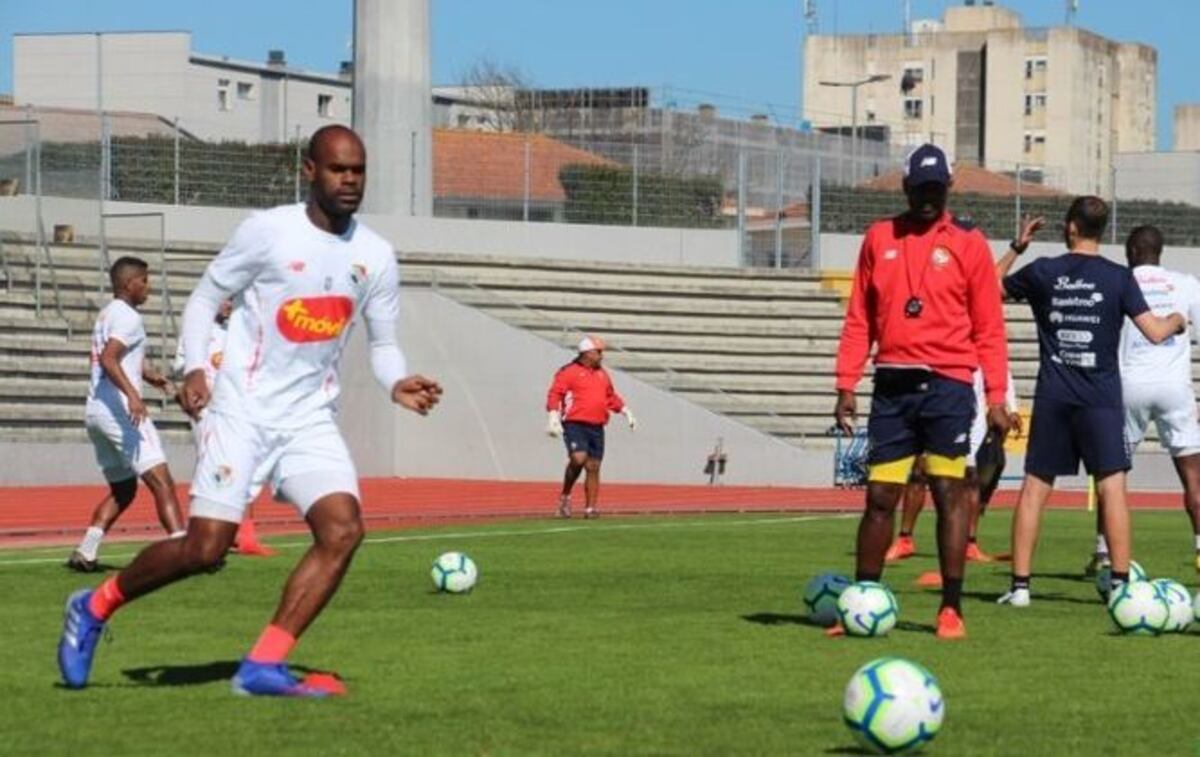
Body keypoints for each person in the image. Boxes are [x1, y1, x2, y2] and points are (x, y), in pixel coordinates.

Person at [57, 124, 443, 696]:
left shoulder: (376, 256)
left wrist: (396, 382)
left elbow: (384, 344)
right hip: (241, 410)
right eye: (338, 169)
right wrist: (195, 368)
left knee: (342, 530)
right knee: (205, 548)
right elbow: (206, 299)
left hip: (309, 418)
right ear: (309, 170)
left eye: (358, 170)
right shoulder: (268, 232)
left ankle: (262, 665)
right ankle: (94, 605)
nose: (350, 180)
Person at [833, 143, 1011, 640]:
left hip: (948, 384)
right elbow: (860, 317)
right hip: (892, 385)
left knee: (949, 492)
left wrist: (997, 396)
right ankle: (863, 601)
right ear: (905, 187)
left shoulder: (969, 243)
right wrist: (846, 382)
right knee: (879, 497)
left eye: (936, 189)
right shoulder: (878, 237)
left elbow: (989, 326)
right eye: (920, 189)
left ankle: (950, 608)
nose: (928, 198)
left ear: (949, 187)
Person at [996, 200, 1185, 607]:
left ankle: (1021, 588)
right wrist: (1176, 320)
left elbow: (989, 287)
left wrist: (1016, 247)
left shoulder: (1044, 270)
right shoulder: (1118, 277)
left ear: (1070, 228)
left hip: (1054, 396)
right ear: (1101, 230)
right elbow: (1155, 332)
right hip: (1101, 400)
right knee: (1112, 488)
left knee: (1035, 488)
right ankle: (1120, 584)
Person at [1083, 225, 1200, 575]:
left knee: (1112, 473)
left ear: (1132, 252)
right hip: (1174, 387)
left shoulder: (1118, 280)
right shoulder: (1186, 283)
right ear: (1159, 251)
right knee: (1193, 476)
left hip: (1128, 385)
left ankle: (1104, 552)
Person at [67, 256, 187, 572]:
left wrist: (151, 377)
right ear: (129, 283)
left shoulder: (108, 313)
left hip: (96, 410)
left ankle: (86, 550)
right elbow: (110, 359)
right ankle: (182, 551)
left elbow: (119, 357)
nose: (148, 287)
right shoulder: (129, 317)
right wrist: (133, 396)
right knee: (162, 481)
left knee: (124, 489)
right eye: (144, 280)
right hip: (119, 411)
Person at [171, 299, 274, 557]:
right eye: (225, 299)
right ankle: (202, 531)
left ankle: (245, 535)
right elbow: (181, 367)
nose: (229, 304)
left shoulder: (235, 332)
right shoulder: (197, 331)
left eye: (232, 299)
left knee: (244, 465)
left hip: (234, 409)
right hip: (206, 409)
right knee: (211, 467)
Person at [886, 369, 1021, 564]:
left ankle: (970, 545)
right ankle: (904, 539)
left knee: (971, 477)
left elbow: (1001, 368)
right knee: (919, 471)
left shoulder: (984, 349)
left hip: (973, 413)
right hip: (937, 404)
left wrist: (1011, 407)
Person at [545, 335, 636, 519]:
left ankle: (590, 508)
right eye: (598, 352)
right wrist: (553, 414)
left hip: (597, 424)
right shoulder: (568, 372)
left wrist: (625, 410)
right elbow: (555, 393)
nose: (601, 356)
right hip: (574, 423)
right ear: (587, 353)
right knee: (578, 459)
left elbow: (610, 396)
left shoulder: (602, 373)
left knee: (593, 466)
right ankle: (565, 496)